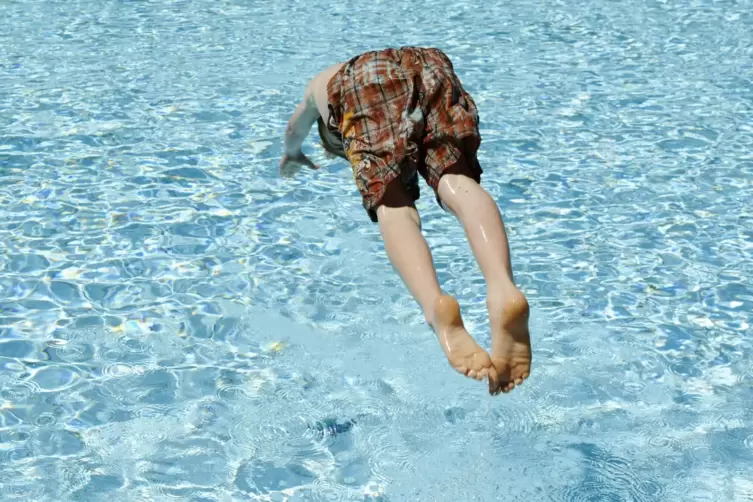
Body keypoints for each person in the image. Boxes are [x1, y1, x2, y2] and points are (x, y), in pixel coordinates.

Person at [279, 46, 531, 395]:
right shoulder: (327, 77)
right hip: (431, 64)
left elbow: (294, 129)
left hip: (362, 85)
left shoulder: (322, 88)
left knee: (393, 204)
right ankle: (503, 287)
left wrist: (291, 155)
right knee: (457, 181)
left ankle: (435, 306)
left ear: (334, 131)